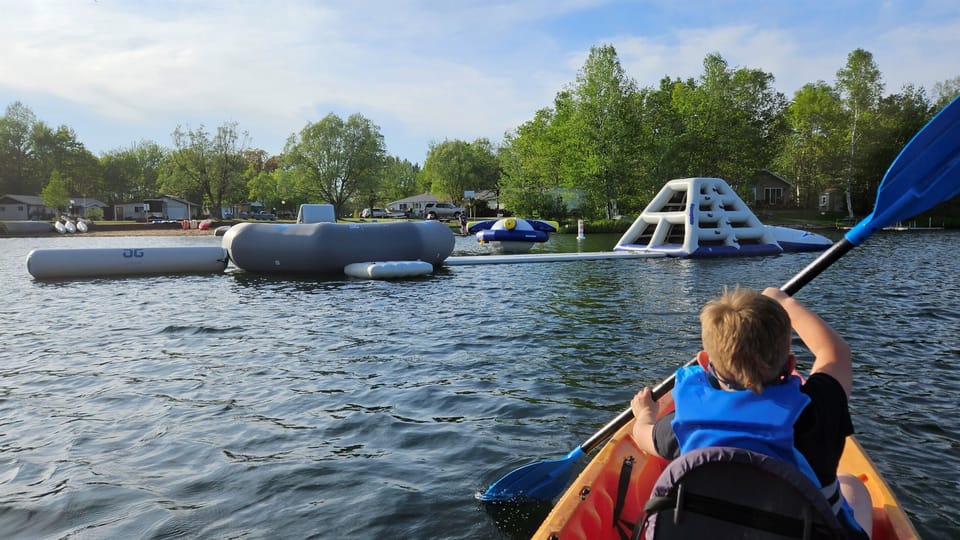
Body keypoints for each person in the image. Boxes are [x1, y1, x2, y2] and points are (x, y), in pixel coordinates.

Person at [630, 286, 872, 538]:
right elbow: (835, 353)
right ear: (791, 366)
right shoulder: (817, 412)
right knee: (853, 486)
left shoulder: (684, 426)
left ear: (703, 362)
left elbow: (642, 434)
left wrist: (645, 412)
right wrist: (783, 301)